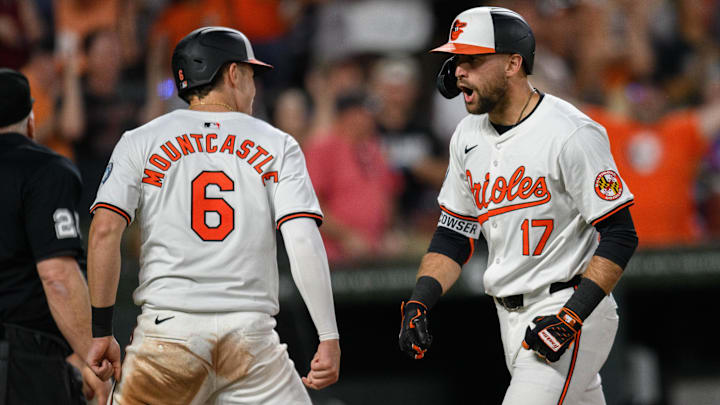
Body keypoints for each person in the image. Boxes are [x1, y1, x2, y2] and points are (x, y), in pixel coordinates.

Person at [82, 27, 341, 404]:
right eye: (250, 74)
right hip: (251, 339)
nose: (253, 87)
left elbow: (104, 231)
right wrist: (328, 335)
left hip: (167, 335)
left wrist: (102, 331)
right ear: (232, 74)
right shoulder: (277, 143)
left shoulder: (140, 139)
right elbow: (302, 238)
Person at [398, 7, 639, 405]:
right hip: (508, 316)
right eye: (457, 60)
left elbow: (619, 234)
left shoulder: (570, 132)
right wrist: (421, 300)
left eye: (472, 60)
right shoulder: (467, 135)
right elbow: (453, 234)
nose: (459, 71)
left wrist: (570, 318)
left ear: (513, 64)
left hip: (568, 306)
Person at [0, 68, 109, 404]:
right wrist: (93, 360)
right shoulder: (44, 169)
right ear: (31, 121)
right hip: (19, 361)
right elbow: (57, 276)